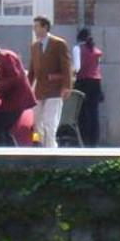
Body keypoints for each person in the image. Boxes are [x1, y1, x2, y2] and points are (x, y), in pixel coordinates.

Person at [28, 15, 73, 146]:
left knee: (50, 122)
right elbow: (32, 70)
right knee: (36, 122)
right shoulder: (34, 46)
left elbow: (66, 66)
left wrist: (67, 86)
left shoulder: (58, 44)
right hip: (39, 90)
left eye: (37, 26)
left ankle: (51, 149)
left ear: (45, 27)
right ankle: (38, 145)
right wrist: (26, 88)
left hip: (54, 90)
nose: (34, 30)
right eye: (34, 27)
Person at [73, 28, 104, 147]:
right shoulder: (96, 51)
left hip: (83, 82)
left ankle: (84, 139)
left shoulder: (77, 49)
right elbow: (97, 67)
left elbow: (77, 68)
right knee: (94, 113)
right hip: (96, 83)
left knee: (81, 112)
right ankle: (93, 140)